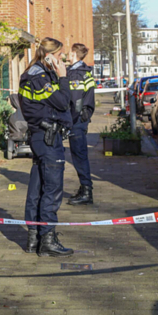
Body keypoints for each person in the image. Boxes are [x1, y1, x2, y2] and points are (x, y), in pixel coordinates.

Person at [20, 38, 74, 256]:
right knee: (51, 190)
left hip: (41, 137)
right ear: (49, 55)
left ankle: (34, 239)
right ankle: (48, 241)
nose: (63, 59)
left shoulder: (35, 73)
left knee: (37, 189)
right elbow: (62, 102)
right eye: (60, 55)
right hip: (48, 138)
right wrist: (62, 77)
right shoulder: (40, 77)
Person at [66, 43, 96, 205]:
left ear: (74, 54)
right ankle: (84, 188)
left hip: (76, 120)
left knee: (79, 155)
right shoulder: (84, 72)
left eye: (69, 52)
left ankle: (86, 191)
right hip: (82, 118)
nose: (67, 55)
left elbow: (76, 100)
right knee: (80, 154)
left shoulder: (76, 74)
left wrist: (68, 121)